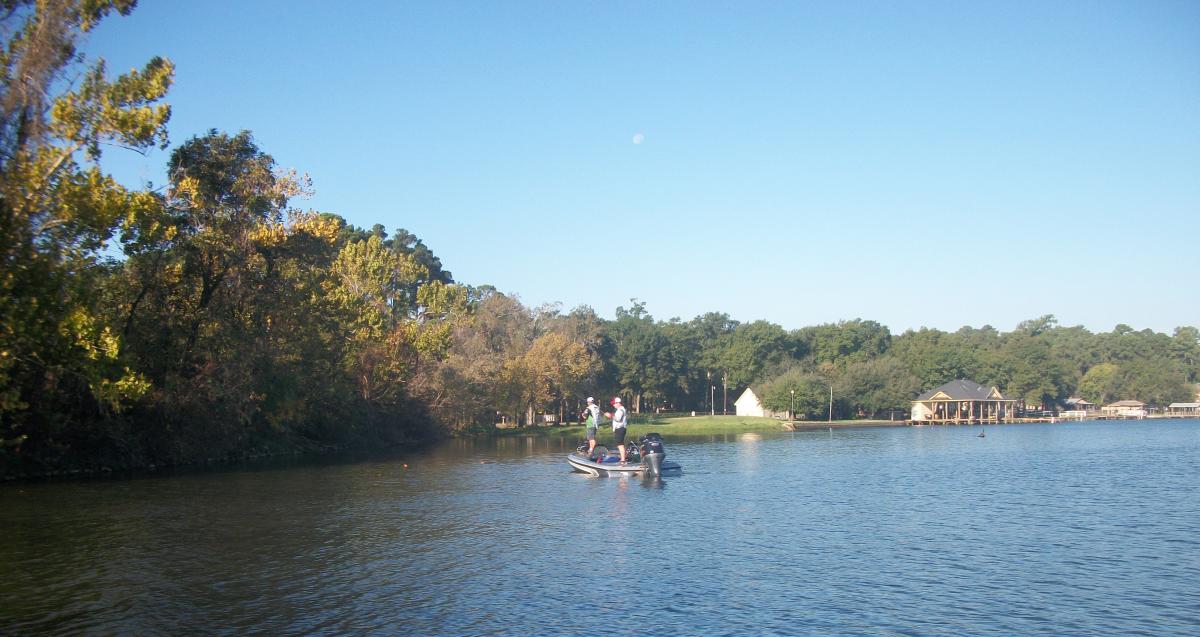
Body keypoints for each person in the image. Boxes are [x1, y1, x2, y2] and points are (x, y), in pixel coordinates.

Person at [604, 396, 629, 462]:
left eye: (614, 404)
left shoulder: (620, 409)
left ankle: (623, 459)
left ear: (618, 403)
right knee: (621, 443)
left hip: (620, 429)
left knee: (620, 444)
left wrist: (610, 415)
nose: (613, 405)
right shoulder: (620, 409)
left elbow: (618, 418)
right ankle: (624, 457)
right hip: (621, 429)